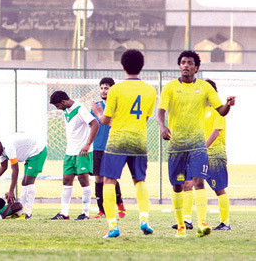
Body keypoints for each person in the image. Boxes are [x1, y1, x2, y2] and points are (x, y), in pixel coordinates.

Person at [157, 50, 235, 238]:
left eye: (190, 63)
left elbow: (221, 111)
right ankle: (181, 225)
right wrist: (162, 126)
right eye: (183, 62)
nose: (186, 65)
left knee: (199, 181)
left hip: (198, 146)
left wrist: (228, 104)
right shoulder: (169, 87)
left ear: (196, 67)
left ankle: (202, 224)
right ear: (179, 66)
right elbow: (160, 111)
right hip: (177, 145)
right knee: (178, 185)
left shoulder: (205, 88)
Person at [91, 49, 156, 239]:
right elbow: (144, 119)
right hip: (138, 140)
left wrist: (97, 113)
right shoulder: (150, 90)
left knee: (109, 181)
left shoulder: (116, 90)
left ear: (123, 66)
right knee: (139, 181)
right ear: (142, 66)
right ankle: (144, 219)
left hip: (117, 141)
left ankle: (112, 226)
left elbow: (105, 120)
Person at [49, 91, 99, 220]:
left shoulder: (80, 109)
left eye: (58, 106)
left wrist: (87, 144)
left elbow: (95, 124)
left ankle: (85, 213)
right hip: (70, 151)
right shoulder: (66, 109)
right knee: (66, 179)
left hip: (82, 151)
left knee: (83, 180)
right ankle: (64, 213)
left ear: (64, 102)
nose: (58, 109)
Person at [0, 132, 47, 219]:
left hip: (37, 151)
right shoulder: (1, 151)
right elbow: (3, 167)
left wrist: (11, 191)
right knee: (24, 183)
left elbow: (15, 169)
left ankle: (28, 214)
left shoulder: (8, 146)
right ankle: (21, 213)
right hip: (30, 156)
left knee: (28, 182)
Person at [90, 77, 126, 219]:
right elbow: (91, 125)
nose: (103, 91)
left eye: (106, 88)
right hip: (98, 147)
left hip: (112, 146)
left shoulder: (117, 106)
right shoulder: (96, 106)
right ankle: (102, 210)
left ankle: (119, 203)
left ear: (112, 89)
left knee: (109, 178)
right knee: (98, 178)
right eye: (102, 88)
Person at [203, 79, 231, 231]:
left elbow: (216, 131)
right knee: (191, 184)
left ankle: (225, 223)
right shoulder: (202, 110)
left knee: (219, 189)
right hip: (201, 156)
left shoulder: (218, 109)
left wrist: (203, 148)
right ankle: (189, 220)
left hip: (215, 156)